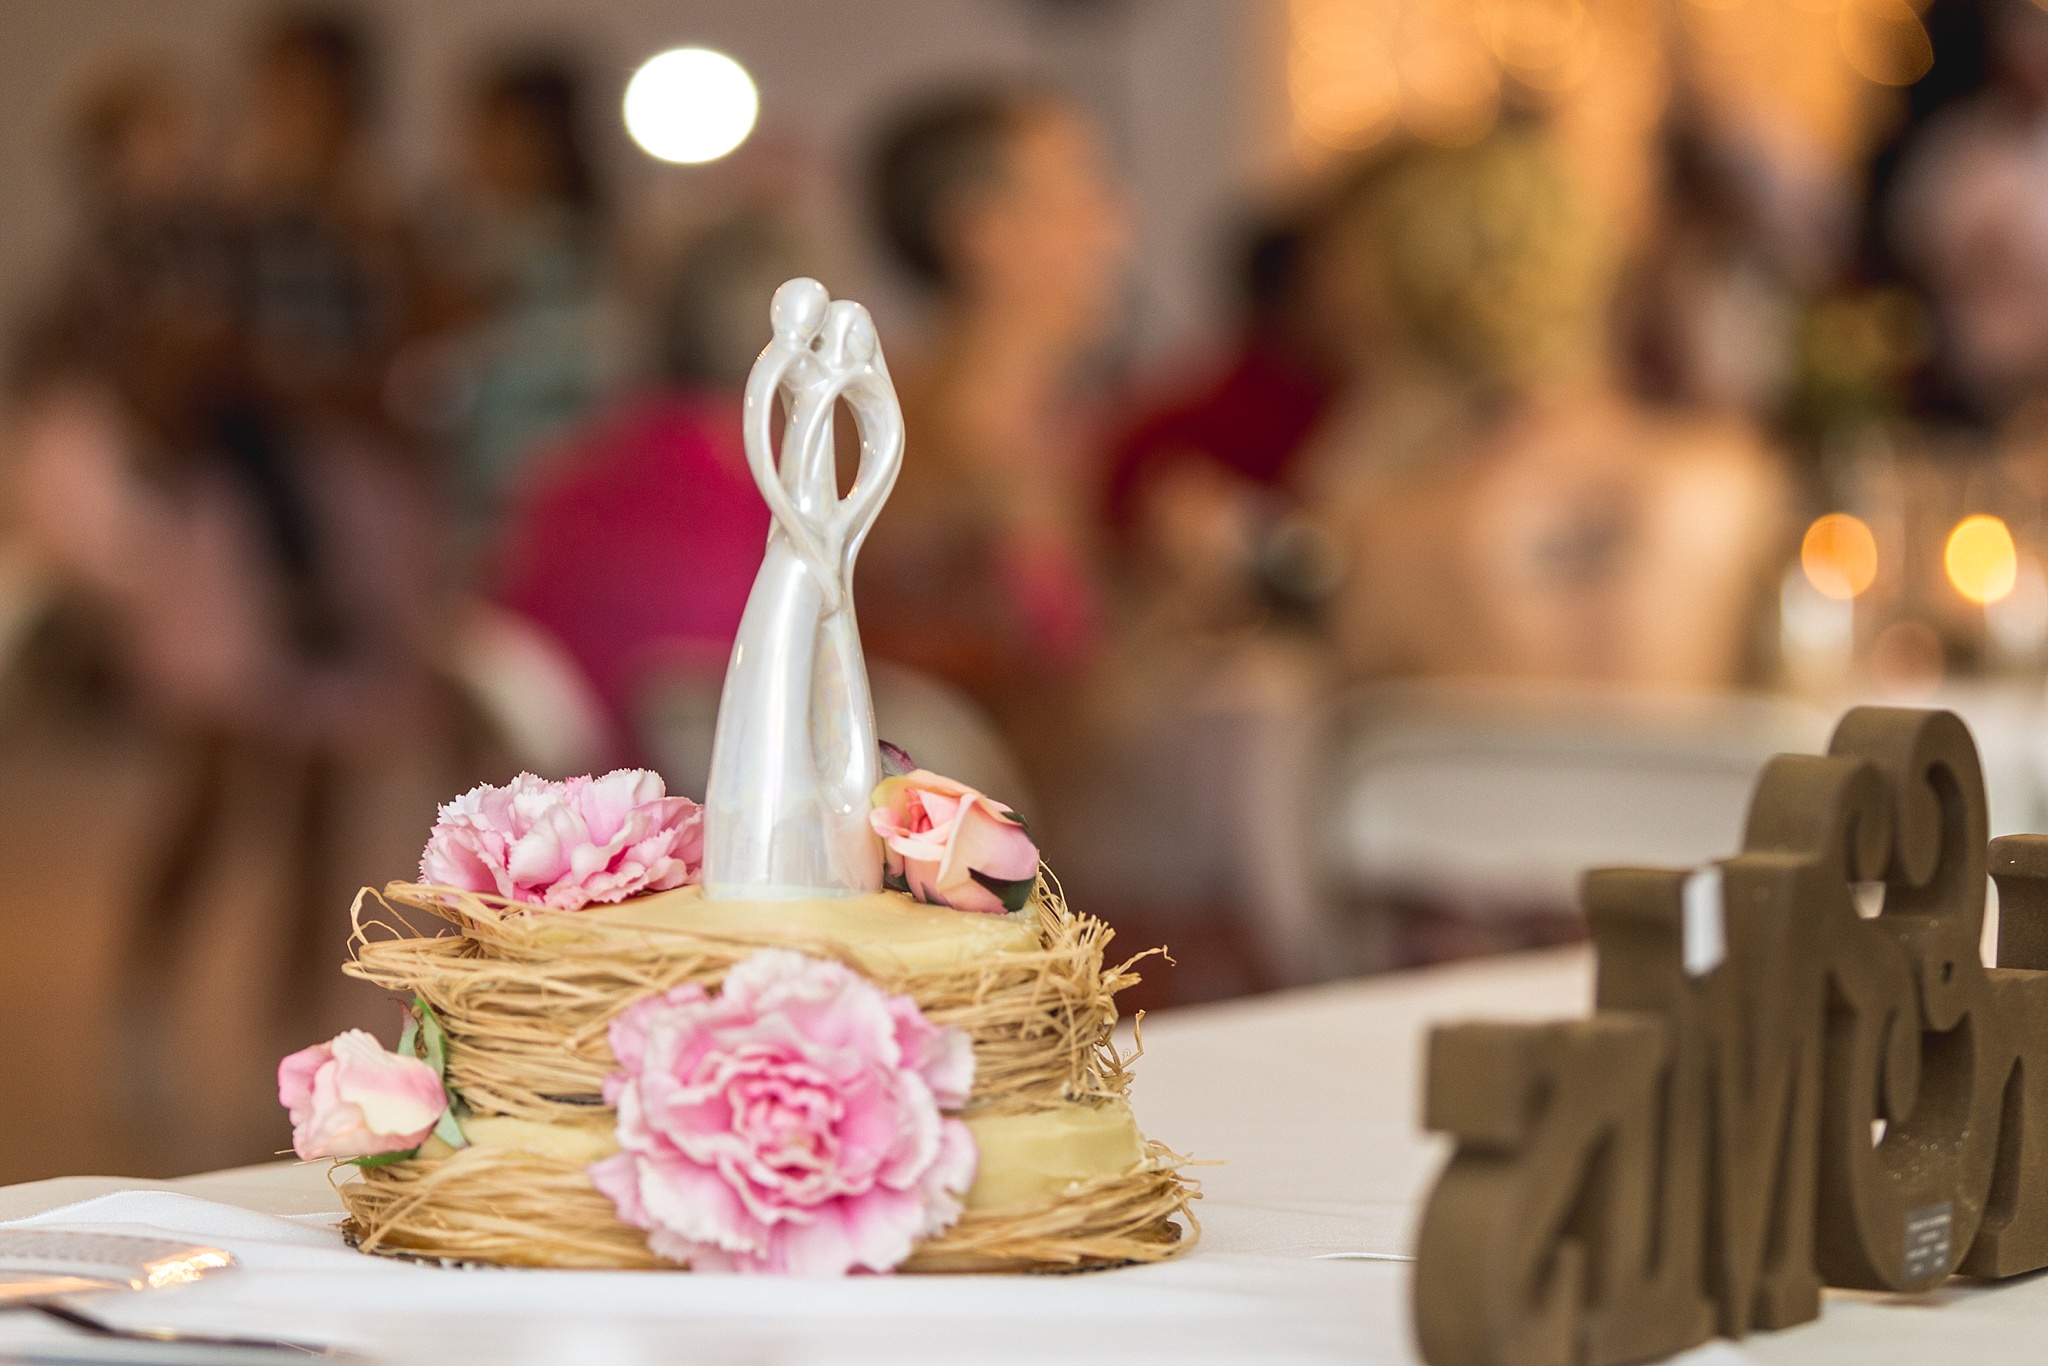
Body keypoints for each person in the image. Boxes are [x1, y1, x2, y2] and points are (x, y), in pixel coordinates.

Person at [858, 85, 1131, 707]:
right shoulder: (928, 454)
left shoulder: (1052, 435)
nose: (1118, 229)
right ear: (980, 231)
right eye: (1083, 194)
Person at [433, 53, 620, 538]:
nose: (476, 151)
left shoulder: (538, 242)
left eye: (495, 131)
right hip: (506, 471)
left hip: (536, 470)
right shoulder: (580, 239)